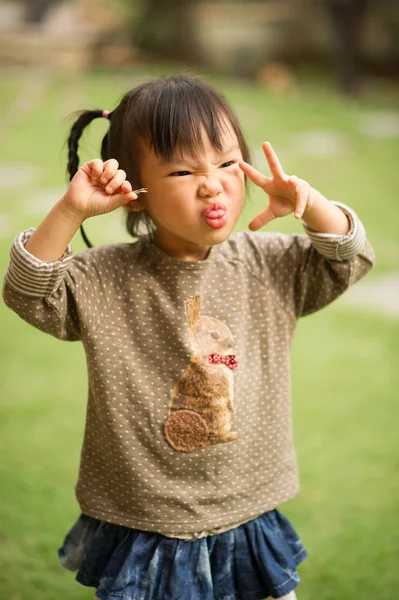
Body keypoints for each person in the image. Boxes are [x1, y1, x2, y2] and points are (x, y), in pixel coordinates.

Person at [2, 74, 375, 600]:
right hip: (145, 520)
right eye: (182, 170)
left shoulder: (270, 265)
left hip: (249, 509)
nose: (212, 184)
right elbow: (27, 291)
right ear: (136, 194)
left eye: (226, 163)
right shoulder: (104, 279)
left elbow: (351, 256)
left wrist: (310, 204)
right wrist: (69, 211)